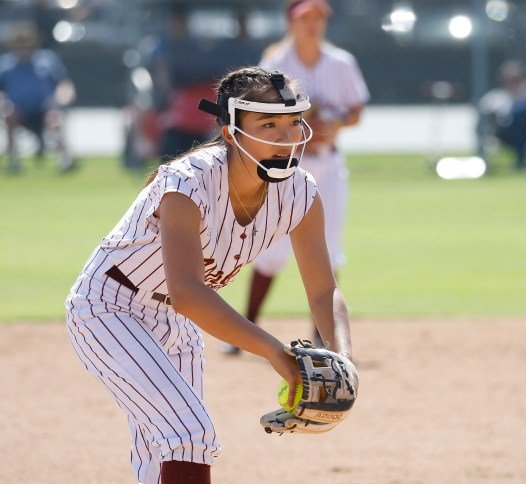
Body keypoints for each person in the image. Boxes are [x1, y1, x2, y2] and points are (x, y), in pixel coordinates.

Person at [65, 67, 354, 484]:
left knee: (162, 454)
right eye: (268, 123)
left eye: (293, 122)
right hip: (110, 307)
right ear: (232, 132)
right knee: (190, 434)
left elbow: (324, 290)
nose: (286, 135)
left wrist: (344, 357)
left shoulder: (300, 192)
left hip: (179, 323)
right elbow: (187, 291)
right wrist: (274, 351)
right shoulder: (187, 182)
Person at [222, 0, 369, 355]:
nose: (313, 24)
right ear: (292, 21)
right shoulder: (275, 63)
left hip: (328, 165)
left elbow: (356, 109)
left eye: (319, 17)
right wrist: (306, 119)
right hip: (283, 167)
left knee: (330, 248)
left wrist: (334, 123)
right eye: (306, 18)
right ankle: (245, 330)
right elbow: (259, 113)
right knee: (271, 250)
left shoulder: (341, 62)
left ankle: (323, 337)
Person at [0, 22, 76, 173]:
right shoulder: (6, 64)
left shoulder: (47, 60)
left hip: (45, 109)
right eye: (22, 44)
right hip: (18, 110)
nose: (26, 48)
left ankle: (65, 159)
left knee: (54, 119)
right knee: (9, 116)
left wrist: (61, 99)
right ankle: (13, 160)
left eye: (29, 44)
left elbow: (64, 84)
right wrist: (4, 103)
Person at [147, 5, 220, 162]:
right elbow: (162, 77)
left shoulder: (195, 46)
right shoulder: (163, 46)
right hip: (173, 106)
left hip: (201, 106)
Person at [478, 60, 526, 170]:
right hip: (505, 132)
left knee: (521, 119)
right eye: (510, 79)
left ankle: (521, 161)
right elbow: (484, 109)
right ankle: (519, 161)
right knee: (516, 124)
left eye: (517, 78)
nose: (514, 81)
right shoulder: (497, 96)